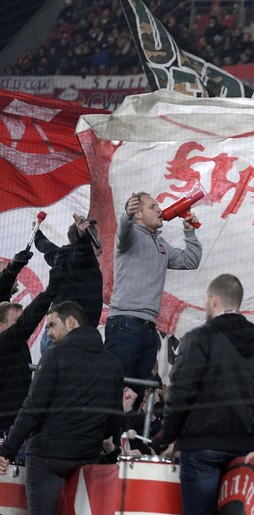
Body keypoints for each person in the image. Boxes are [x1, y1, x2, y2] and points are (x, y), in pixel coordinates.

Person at [153, 274, 254, 515]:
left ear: (213, 301)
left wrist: (167, 436)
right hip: (248, 447)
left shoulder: (199, 338)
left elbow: (181, 392)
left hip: (203, 447)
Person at [0, 301, 124, 514]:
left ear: (71, 322)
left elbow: (32, 408)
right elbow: (113, 420)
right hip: (87, 456)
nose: (48, 332)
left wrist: (7, 450)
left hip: (47, 457)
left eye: (51, 325)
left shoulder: (54, 355)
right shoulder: (113, 365)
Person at [105, 192, 201, 386]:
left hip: (149, 327)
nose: (159, 209)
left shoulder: (160, 244)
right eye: (152, 206)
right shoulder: (130, 236)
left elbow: (190, 261)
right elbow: (123, 232)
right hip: (125, 322)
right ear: (138, 214)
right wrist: (127, 215)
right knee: (115, 388)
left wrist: (189, 232)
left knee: (135, 392)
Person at [0, 265, 62, 437]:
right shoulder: (4, 343)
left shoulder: (17, 345)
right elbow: (27, 322)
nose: (20, 325)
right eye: (16, 321)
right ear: (1, 326)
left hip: (17, 427)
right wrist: (50, 291)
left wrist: (11, 273)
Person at [33, 213, 103, 326]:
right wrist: (82, 236)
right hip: (74, 331)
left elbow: (44, 245)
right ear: (91, 241)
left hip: (54, 327)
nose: (101, 241)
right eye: (99, 237)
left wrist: (37, 234)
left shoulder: (58, 255)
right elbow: (82, 252)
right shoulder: (84, 260)